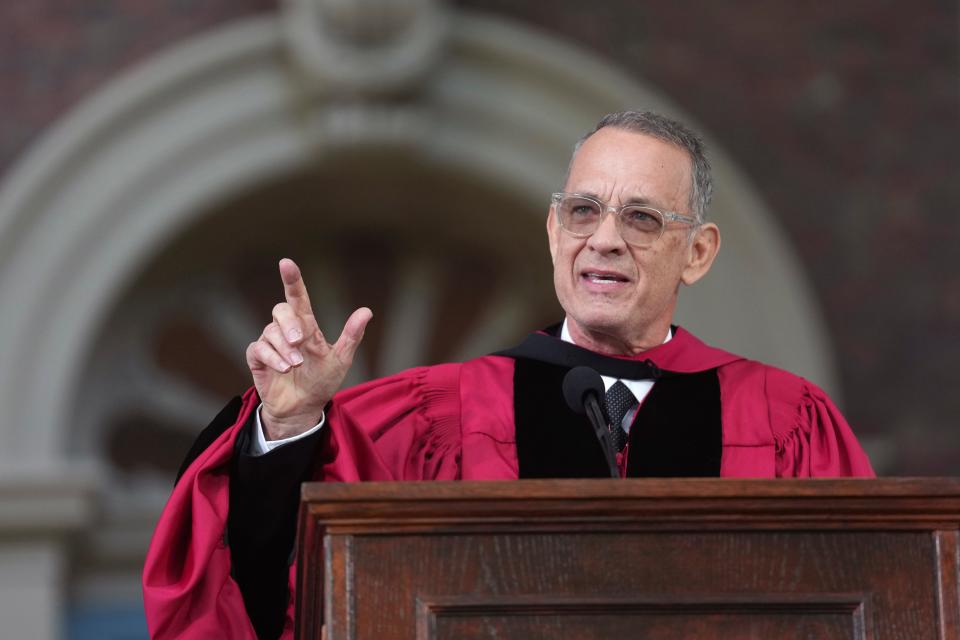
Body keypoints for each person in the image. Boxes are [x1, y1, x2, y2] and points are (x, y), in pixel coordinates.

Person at [143, 111, 874, 639]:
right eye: (583, 211)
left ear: (699, 251)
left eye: (643, 218)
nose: (606, 240)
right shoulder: (438, 414)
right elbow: (290, 595)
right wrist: (291, 426)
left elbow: (870, 597)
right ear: (555, 231)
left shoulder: (785, 421)